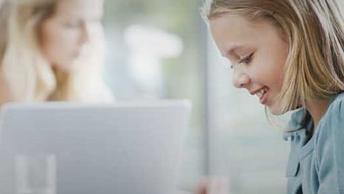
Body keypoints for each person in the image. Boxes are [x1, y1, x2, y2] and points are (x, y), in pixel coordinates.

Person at [198, 0, 344, 193]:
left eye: (245, 57)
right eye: (233, 65)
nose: (236, 80)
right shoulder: (301, 128)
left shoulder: (340, 119)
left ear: (297, 31)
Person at [0, 0, 113, 105]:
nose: (87, 38)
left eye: (95, 20)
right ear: (32, 26)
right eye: (72, 24)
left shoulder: (90, 89)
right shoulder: (8, 89)